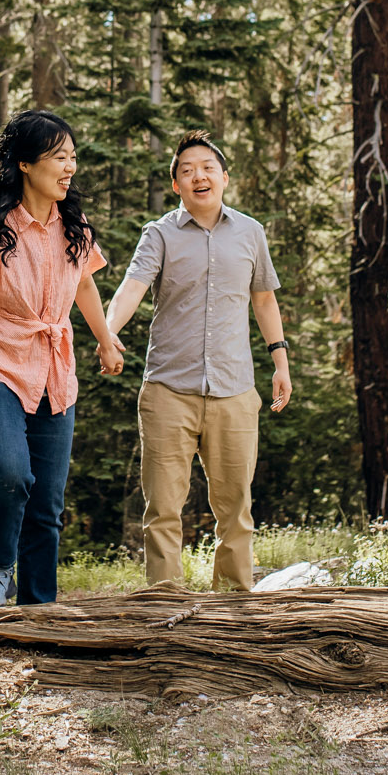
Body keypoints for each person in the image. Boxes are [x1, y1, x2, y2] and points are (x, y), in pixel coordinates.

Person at [0, 110, 124, 607]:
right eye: (58, 157)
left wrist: (105, 339)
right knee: (12, 473)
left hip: (54, 371)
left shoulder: (73, 226)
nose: (69, 167)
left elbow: (84, 281)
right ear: (25, 163)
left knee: (46, 502)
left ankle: (39, 607)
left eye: (73, 157)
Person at [104, 130, 290, 592]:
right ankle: (165, 609)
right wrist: (107, 332)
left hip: (235, 390)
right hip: (169, 390)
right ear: (176, 185)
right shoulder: (160, 234)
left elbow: (264, 300)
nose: (198, 176)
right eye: (186, 170)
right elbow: (132, 287)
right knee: (163, 509)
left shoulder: (251, 232)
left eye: (207, 167)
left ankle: (233, 607)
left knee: (236, 510)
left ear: (224, 177)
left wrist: (280, 361)